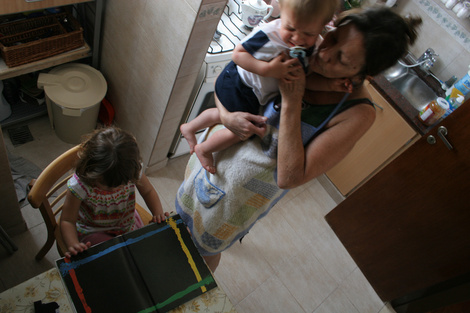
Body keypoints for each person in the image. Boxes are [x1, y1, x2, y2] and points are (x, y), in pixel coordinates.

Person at [176, 7, 422, 272]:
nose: (324, 53)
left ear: (364, 75)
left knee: (205, 250)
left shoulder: (359, 113)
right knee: (180, 222)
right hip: (212, 158)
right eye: (333, 37)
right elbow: (236, 80)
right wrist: (225, 117)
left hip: (234, 197)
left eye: (341, 58)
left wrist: (292, 101)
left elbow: (290, 177)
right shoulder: (303, 45)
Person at [180, 0, 342, 174]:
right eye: (291, 28)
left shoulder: (311, 48)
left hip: (253, 90)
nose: (297, 38)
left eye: (308, 33)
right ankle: (204, 149)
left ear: (321, 28)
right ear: (282, 13)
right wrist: (268, 69)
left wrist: (330, 85)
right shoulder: (270, 34)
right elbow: (238, 54)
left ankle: (190, 127)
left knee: (223, 114)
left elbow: (304, 78)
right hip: (240, 83)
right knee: (242, 131)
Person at [61, 127, 168, 257]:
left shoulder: (130, 170)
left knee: (142, 251)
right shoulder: (80, 186)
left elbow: (148, 191)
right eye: (106, 186)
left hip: (127, 223)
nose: (114, 190)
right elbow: (67, 220)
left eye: (119, 185)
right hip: (94, 230)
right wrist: (73, 244)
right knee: (112, 259)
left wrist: (157, 213)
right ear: (91, 169)